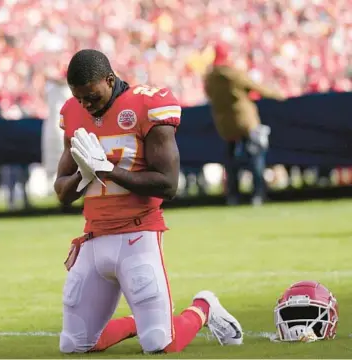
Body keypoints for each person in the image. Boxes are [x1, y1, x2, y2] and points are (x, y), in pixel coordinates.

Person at [54, 49, 243, 354]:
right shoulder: (74, 113)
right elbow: (62, 193)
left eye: (92, 96)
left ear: (110, 80)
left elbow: (168, 184)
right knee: (74, 345)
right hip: (93, 238)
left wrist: (108, 170)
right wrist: (84, 175)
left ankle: (203, 307)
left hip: (137, 235)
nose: (86, 105)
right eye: (79, 98)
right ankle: (136, 321)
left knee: (160, 343)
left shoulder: (147, 105)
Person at [205, 44, 286, 206]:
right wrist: (279, 95)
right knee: (255, 157)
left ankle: (233, 195)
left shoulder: (210, 78)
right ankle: (258, 194)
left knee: (231, 161)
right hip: (245, 121)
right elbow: (257, 88)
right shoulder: (234, 75)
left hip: (225, 124)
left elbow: (209, 95)